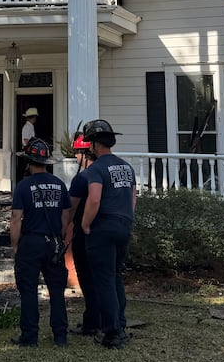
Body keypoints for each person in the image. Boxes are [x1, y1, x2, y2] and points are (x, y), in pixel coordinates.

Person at [9, 137, 71, 347]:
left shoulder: (23, 187)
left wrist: (15, 244)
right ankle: (60, 336)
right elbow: (65, 216)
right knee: (56, 291)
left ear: (28, 162)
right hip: (53, 242)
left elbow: (16, 218)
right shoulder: (60, 185)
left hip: (31, 242)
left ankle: (30, 337)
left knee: (28, 291)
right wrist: (58, 238)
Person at [80, 119, 137, 349]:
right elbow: (133, 198)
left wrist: (85, 224)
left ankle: (112, 333)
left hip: (102, 228)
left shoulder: (96, 169)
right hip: (123, 226)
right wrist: (126, 220)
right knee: (115, 276)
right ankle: (120, 324)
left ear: (94, 144)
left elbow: (94, 198)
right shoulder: (126, 167)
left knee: (103, 280)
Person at [63, 132, 100, 336]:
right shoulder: (104, 174)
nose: (76, 157)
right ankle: (108, 319)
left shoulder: (83, 178)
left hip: (84, 233)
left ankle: (92, 322)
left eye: (77, 153)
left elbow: (71, 209)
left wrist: (63, 231)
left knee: (86, 277)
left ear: (85, 153)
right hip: (104, 233)